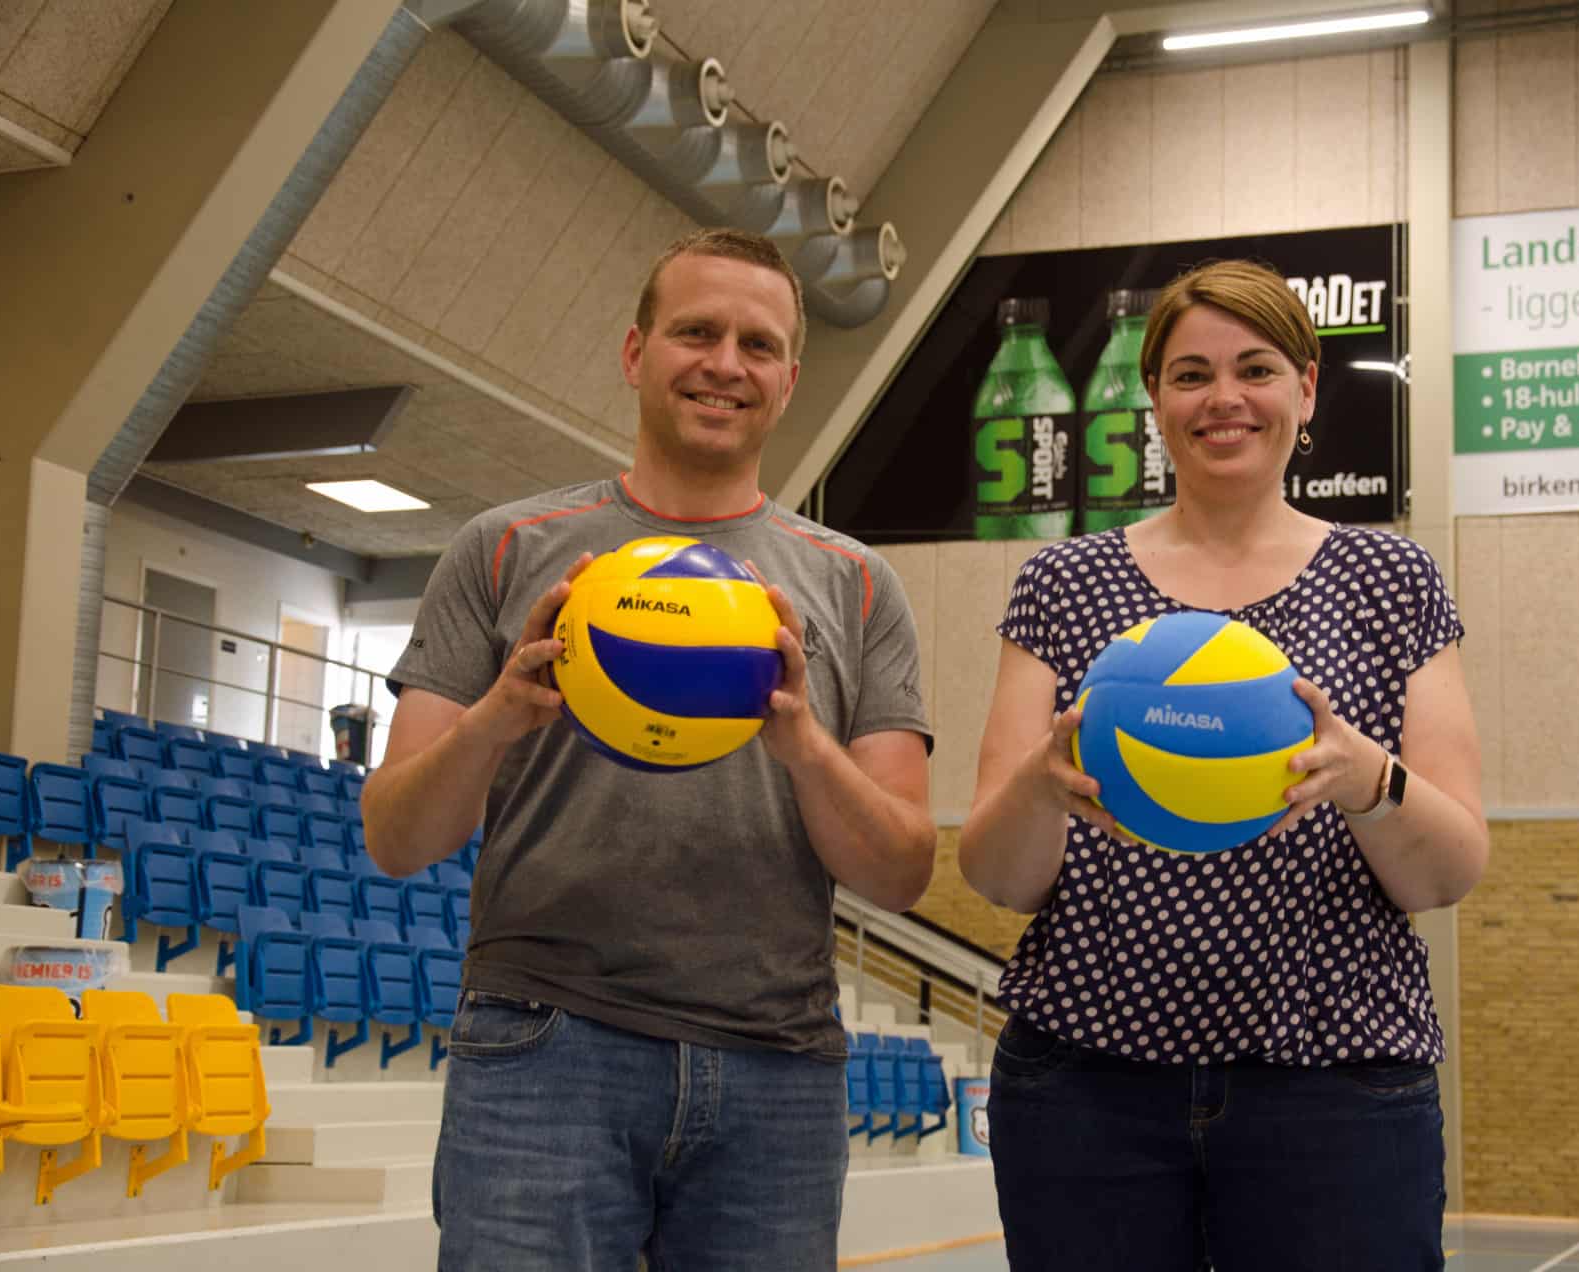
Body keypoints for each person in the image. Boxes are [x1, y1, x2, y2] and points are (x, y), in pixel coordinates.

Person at [361, 227, 937, 1272]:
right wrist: (499, 714)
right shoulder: (503, 547)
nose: (726, 363)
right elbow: (396, 837)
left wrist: (803, 742)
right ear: (637, 353)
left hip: (777, 1070)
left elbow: (901, 871)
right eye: (696, 332)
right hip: (544, 1047)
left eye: (757, 345)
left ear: (790, 380)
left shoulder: (854, 585)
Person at [959, 259, 1489, 1270]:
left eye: (1255, 368)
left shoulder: (1390, 579)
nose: (1225, 399)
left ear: (1307, 387)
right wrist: (1040, 787)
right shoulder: (1064, 582)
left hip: (1337, 1085)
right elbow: (995, 877)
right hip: (1087, 1087)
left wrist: (1367, 779)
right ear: (1154, 396)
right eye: (1191, 373)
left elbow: (1449, 869)